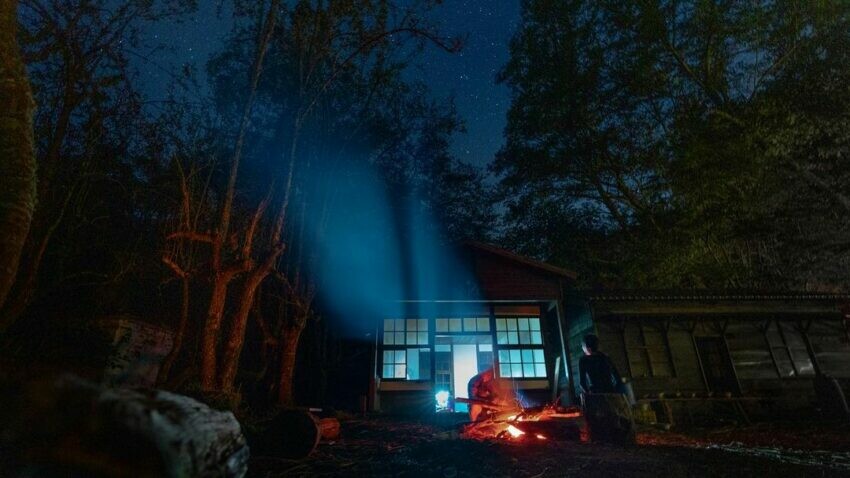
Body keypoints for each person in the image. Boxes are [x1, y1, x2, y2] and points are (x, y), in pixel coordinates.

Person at [578, 334, 635, 445]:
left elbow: (582, 382)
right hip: (610, 391)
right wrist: (615, 391)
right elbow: (617, 378)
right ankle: (616, 439)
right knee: (612, 416)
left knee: (597, 419)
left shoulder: (584, 360)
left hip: (595, 393)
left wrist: (588, 395)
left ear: (586, 347)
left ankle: (599, 439)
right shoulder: (605, 358)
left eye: (582, 346)